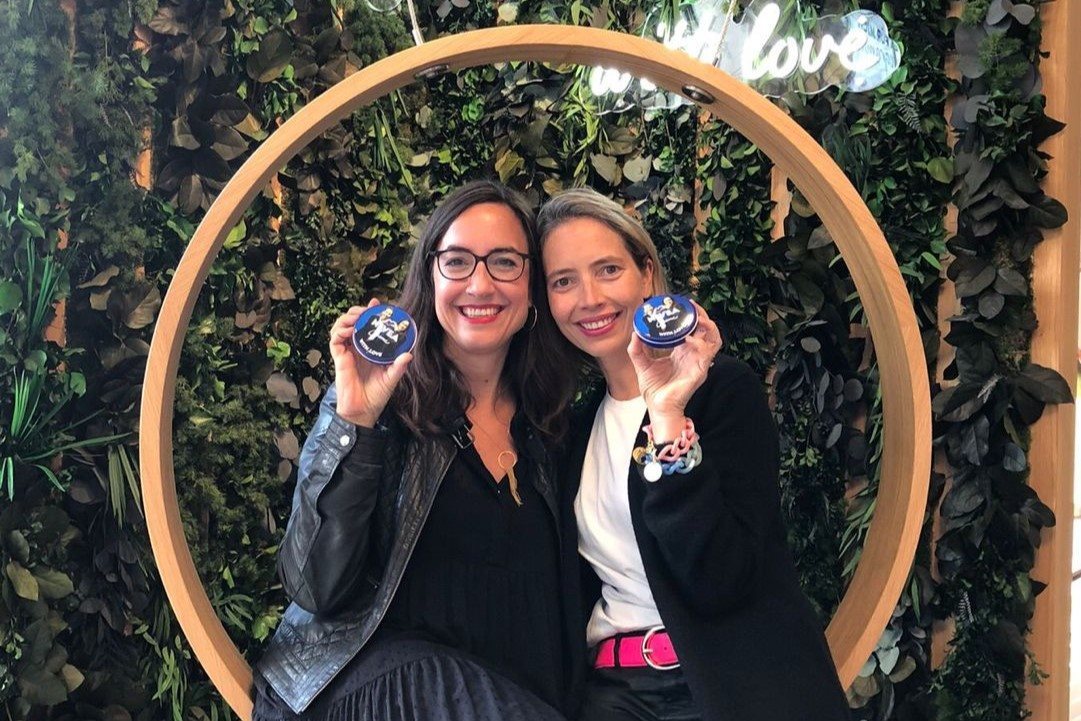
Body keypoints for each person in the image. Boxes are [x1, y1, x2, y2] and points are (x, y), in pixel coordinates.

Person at [253, 180, 582, 721]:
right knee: (430, 672)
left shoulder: (549, 427)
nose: (480, 284)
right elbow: (314, 586)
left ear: (533, 288)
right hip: (371, 686)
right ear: (429, 277)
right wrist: (353, 424)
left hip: (507, 699)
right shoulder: (379, 400)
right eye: (457, 261)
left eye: (504, 262)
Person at [537, 188, 851, 721]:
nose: (588, 298)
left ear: (647, 274)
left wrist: (666, 417)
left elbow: (719, 578)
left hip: (721, 684)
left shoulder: (720, 392)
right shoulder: (574, 425)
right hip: (611, 693)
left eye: (608, 270)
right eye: (563, 281)